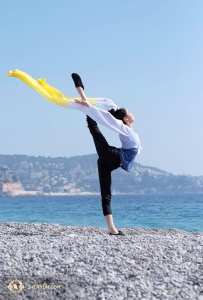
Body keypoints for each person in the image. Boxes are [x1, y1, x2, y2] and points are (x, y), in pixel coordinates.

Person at [71, 73, 142, 236]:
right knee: (94, 127)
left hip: (110, 161)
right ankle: (80, 91)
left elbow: (110, 105)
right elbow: (106, 116)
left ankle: (111, 229)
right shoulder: (122, 126)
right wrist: (86, 100)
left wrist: (91, 103)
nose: (132, 113)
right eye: (130, 112)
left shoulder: (128, 127)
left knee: (106, 194)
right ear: (125, 118)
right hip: (113, 156)